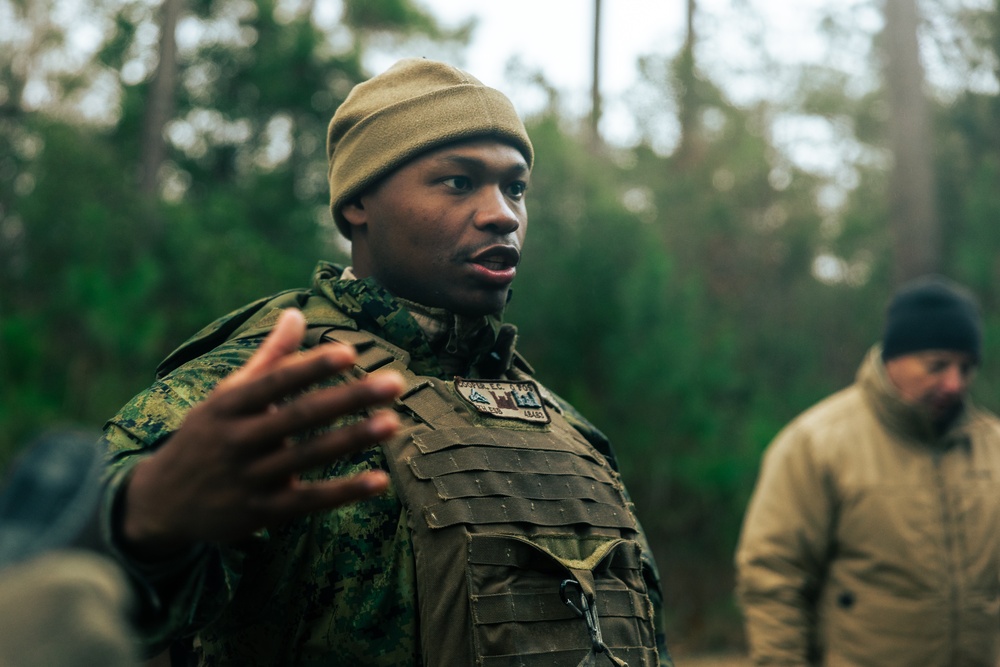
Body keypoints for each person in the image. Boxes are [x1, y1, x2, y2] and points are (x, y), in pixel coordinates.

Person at [98, 58, 671, 666]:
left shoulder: (569, 432)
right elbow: (67, 575)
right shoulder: (277, 386)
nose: (503, 213)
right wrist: (140, 519)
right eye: (458, 181)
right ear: (358, 205)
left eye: (516, 187)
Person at [734, 275, 1000, 666]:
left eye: (966, 368)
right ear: (893, 356)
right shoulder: (816, 444)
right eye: (937, 365)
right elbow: (773, 575)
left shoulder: (992, 447)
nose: (954, 384)